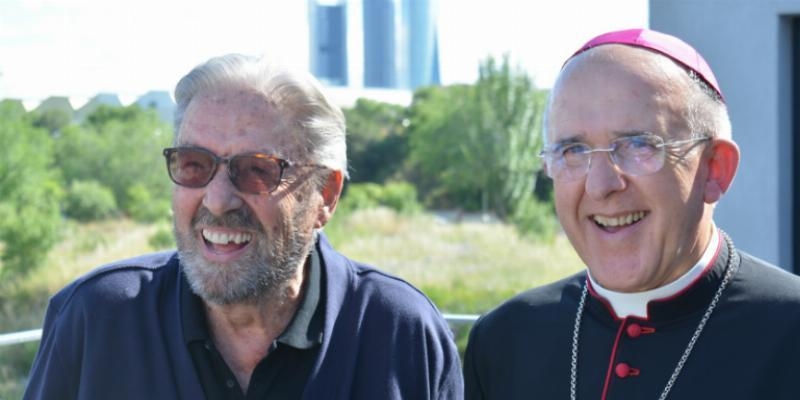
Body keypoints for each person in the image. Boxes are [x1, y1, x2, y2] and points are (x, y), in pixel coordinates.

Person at [24, 54, 463, 400]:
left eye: (256, 170)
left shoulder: (401, 332)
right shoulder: (96, 318)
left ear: (325, 195)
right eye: (194, 165)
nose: (217, 200)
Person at [463, 28, 800, 400]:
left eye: (638, 145)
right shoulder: (505, 339)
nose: (600, 185)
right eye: (573, 151)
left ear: (714, 169)